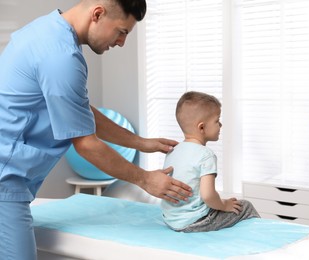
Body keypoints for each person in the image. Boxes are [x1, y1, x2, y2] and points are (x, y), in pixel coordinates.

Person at [0, 1, 192, 259]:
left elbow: (80, 111)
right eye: (122, 31)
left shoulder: (46, 30)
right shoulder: (61, 57)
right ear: (98, 14)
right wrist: (146, 179)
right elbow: (87, 144)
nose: (122, 42)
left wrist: (141, 143)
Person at [161, 91, 260, 232]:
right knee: (245, 206)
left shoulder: (173, 150)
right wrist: (224, 205)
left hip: (171, 219)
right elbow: (207, 195)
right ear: (201, 127)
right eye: (217, 121)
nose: (221, 125)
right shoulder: (206, 155)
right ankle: (257, 238)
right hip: (195, 221)